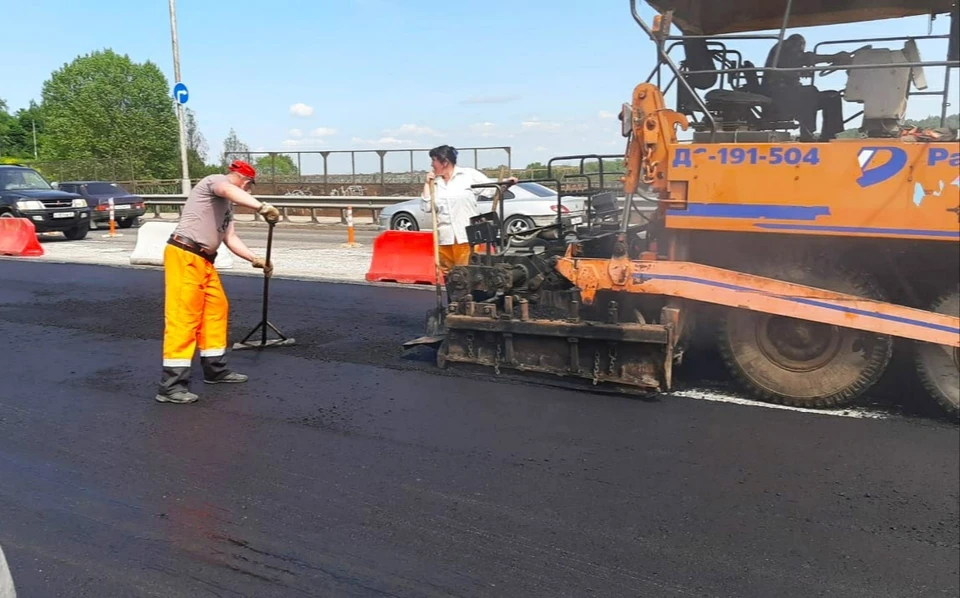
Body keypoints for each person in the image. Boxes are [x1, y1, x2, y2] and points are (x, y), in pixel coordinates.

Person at [156, 160, 281, 404]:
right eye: (249, 187)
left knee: (216, 309)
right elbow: (227, 189)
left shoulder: (226, 207)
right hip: (185, 254)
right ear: (244, 180)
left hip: (204, 260)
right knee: (184, 317)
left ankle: (215, 369)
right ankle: (171, 385)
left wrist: (255, 259)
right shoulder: (214, 181)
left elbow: (230, 237)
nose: (248, 191)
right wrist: (261, 207)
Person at [421, 145, 518, 272]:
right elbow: (427, 207)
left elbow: (491, 191)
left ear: (444, 162)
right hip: (444, 238)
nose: (432, 164)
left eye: (434, 160)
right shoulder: (436, 183)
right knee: (449, 276)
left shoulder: (468, 175)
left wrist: (506, 184)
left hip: (466, 237)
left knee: (467, 273)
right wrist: (427, 184)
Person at [763, 33, 852, 141]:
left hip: (790, 93)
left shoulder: (787, 57)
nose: (801, 51)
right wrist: (833, 57)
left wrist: (800, 72)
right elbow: (804, 58)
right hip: (777, 93)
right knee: (810, 92)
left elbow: (795, 64)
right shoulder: (784, 47)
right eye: (800, 48)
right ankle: (807, 133)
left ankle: (832, 135)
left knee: (832, 96)